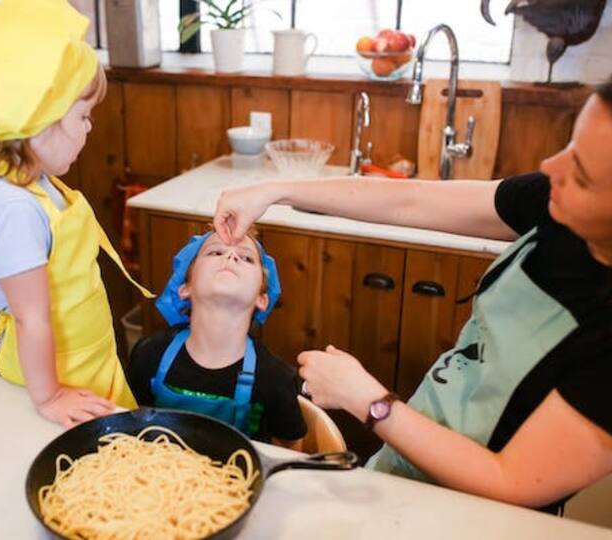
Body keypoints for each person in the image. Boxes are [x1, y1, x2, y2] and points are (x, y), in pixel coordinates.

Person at [212, 78, 612, 512]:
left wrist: (368, 401)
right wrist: (277, 190)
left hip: (482, 516)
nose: (551, 167)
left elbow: (510, 479)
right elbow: (412, 200)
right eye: (570, 147)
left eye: (582, 174)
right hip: (406, 466)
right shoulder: (553, 201)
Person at [0, 0, 153, 428]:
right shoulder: (11, 209)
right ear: (38, 121)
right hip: (55, 376)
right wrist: (50, 396)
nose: (89, 128)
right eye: (83, 116)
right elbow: (31, 316)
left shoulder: (36, 183)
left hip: (88, 359)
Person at [126, 230, 307, 449]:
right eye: (215, 252)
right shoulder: (149, 355)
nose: (231, 257)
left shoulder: (275, 377)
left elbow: (289, 451)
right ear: (185, 288)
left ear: (262, 298)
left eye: (247, 258)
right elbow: (128, 429)